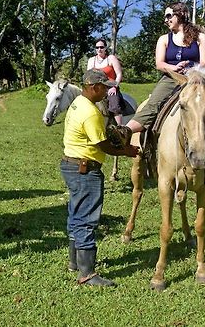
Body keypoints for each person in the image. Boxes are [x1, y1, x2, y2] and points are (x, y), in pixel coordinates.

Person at [125, 1, 205, 176]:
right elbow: (159, 63)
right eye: (165, 17)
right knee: (152, 105)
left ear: (181, 15)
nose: (166, 20)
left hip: (198, 79)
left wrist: (191, 70)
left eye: (169, 15)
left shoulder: (200, 37)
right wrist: (174, 69)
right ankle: (126, 134)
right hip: (172, 79)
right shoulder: (164, 39)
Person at [60, 69, 139, 287]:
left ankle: (74, 262)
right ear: (93, 86)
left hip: (70, 164)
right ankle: (87, 274)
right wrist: (126, 151)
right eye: (104, 87)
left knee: (76, 213)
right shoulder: (91, 113)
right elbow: (102, 145)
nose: (106, 92)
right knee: (86, 218)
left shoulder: (77, 102)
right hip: (85, 169)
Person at [87, 39, 125, 124]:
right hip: (97, 88)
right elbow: (88, 76)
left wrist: (115, 87)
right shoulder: (91, 60)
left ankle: (120, 128)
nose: (99, 49)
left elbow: (119, 74)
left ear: (105, 48)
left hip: (110, 87)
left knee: (115, 106)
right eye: (97, 47)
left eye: (101, 47)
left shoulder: (111, 58)